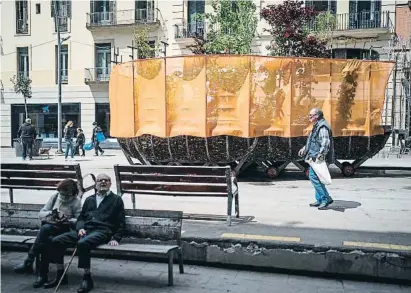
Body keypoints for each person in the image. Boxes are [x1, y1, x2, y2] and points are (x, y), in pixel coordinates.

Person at [45, 174, 125, 293]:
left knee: (83, 243)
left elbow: (121, 221)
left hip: (102, 231)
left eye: (106, 180)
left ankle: (87, 278)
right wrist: (80, 228)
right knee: (57, 240)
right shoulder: (89, 199)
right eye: (100, 180)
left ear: (110, 184)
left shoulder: (116, 200)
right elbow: (81, 218)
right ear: (96, 184)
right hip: (86, 230)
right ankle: (61, 275)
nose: (103, 182)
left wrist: (116, 238)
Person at [13, 179, 82, 288]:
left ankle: (31, 263)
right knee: (46, 239)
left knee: (45, 231)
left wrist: (68, 219)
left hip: (65, 229)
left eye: (67, 195)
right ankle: (42, 275)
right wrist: (51, 213)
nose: (64, 197)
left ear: (73, 192)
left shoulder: (76, 200)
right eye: (62, 194)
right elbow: (41, 213)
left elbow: (79, 220)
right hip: (52, 227)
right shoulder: (55, 197)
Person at [298, 108, 335, 210]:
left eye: (311, 115)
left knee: (314, 177)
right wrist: (304, 149)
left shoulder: (322, 127)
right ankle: (321, 198)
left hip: (319, 157)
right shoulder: (316, 126)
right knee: (316, 177)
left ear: (316, 116)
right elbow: (312, 140)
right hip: (314, 156)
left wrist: (321, 155)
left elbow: (325, 142)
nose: (309, 117)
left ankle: (324, 199)